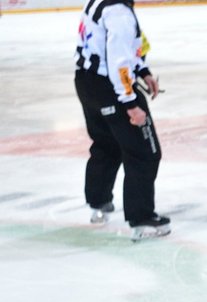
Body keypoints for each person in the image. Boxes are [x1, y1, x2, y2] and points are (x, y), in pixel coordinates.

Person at [74, 0, 169, 239]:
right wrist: (130, 103)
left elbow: (123, 47)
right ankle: (142, 218)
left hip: (87, 82)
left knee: (107, 144)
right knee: (145, 152)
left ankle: (98, 203)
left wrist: (143, 71)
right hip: (111, 88)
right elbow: (119, 60)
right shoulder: (119, 13)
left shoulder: (101, 2)